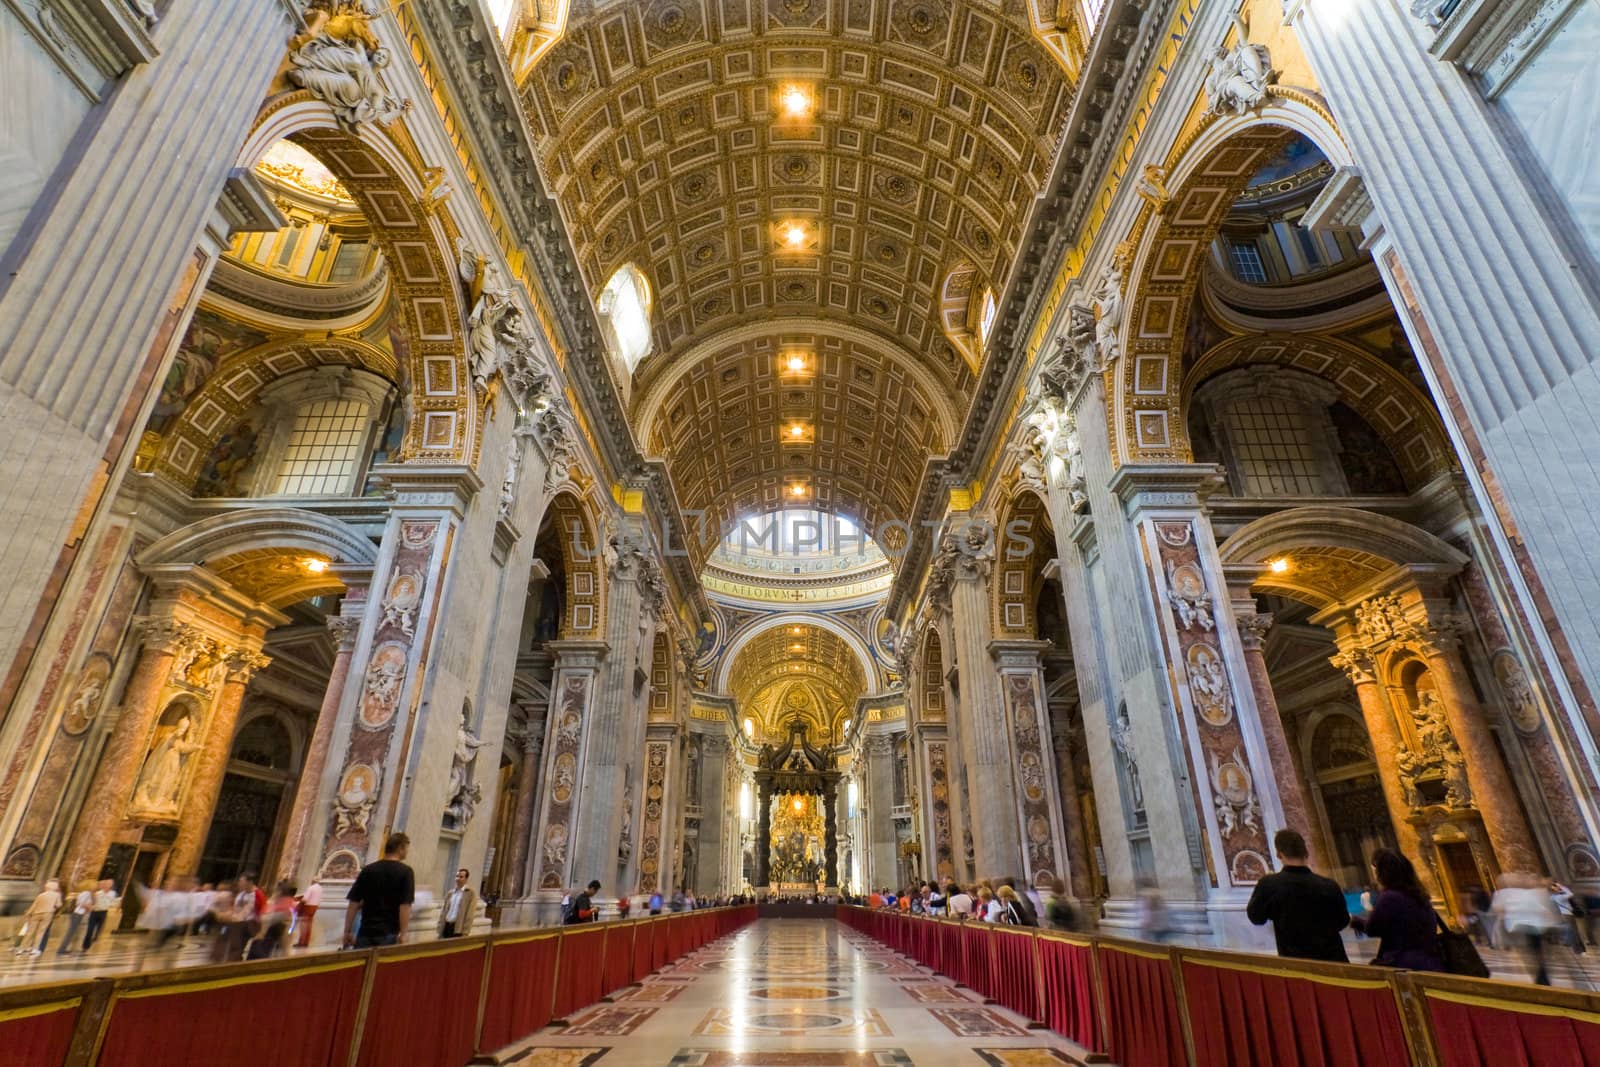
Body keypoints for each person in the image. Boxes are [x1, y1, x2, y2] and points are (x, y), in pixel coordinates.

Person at [1245, 829, 1351, 962]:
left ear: (1279, 854)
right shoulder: (1329, 885)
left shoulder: (1269, 885)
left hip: (1297, 965)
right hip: (1334, 962)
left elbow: (1256, 918)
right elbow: (1342, 921)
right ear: (1305, 852)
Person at [1349, 849, 1444, 971]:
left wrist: (1355, 921)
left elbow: (1373, 928)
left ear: (1382, 872)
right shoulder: (1419, 894)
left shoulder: (1389, 897)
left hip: (1404, 965)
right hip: (1431, 961)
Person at [345, 832, 414, 948]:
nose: (407, 852)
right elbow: (405, 906)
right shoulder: (406, 872)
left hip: (365, 931)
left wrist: (347, 931)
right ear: (401, 848)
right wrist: (403, 933)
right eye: (406, 848)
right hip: (389, 933)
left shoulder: (368, 870)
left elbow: (353, 903)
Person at [1493, 872, 1562, 985]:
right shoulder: (1507, 893)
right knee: (1533, 951)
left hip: (1531, 925)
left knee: (1535, 950)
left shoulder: (1530, 892)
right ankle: (1541, 972)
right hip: (1523, 925)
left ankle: (1541, 972)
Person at [14, 878, 61, 956]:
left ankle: (21, 949)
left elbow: (34, 905)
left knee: (30, 932)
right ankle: (34, 949)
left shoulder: (41, 895)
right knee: (40, 932)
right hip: (47, 914)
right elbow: (59, 905)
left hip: (36, 914)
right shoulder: (56, 895)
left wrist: (28, 913)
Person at [438, 868, 477, 938]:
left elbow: (470, 914)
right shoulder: (450, 893)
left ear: (466, 879)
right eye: (457, 876)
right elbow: (444, 911)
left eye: (461, 877)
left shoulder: (470, 893)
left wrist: (465, 932)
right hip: (446, 926)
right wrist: (440, 926)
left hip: (457, 928)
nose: (458, 878)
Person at [57, 883, 93, 955]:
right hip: (79, 914)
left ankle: (64, 948)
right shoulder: (87, 894)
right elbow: (82, 904)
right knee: (71, 932)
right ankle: (62, 949)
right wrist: (89, 907)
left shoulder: (82, 893)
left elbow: (78, 903)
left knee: (72, 932)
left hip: (77, 914)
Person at [82, 879, 117, 952]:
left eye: (110, 884)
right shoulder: (98, 893)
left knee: (98, 931)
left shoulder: (112, 893)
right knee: (90, 930)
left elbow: (113, 902)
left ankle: (94, 939)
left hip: (103, 912)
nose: (108, 885)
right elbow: (93, 902)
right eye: (107, 883)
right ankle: (85, 946)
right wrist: (92, 895)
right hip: (95, 912)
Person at [295, 878, 323, 948]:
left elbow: (305, 899)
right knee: (309, 926)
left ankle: (301, 942)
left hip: (307, 907)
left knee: (303, 926)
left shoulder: (311, 888)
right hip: (314, 907)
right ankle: (306, 942)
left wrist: (298, 906)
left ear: (313, 881)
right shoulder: (320, 888)